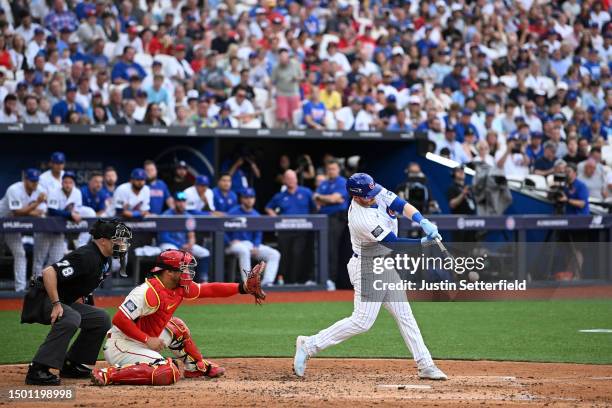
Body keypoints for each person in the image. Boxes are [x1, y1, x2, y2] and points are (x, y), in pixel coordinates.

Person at [293, 173, 447, 380]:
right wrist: (424, 243)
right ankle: (309, 344)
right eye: (368, 195)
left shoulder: (372, 190)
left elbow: (400, 204)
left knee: (405, 315)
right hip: (367, 266)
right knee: (362, 321)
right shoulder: (361, 219)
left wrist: (422, 220)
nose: (374, 196)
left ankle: (425, 364)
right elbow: (394, 243)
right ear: (356, 197)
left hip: (385, 264)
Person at [90, 249, 265, 386]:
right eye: (184, 268)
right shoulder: (146, 292)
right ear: (169, 272)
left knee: (177, 326)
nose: (188, 272)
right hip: (121, 345)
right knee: (167, 371)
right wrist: (147, 339)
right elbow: (119, 319)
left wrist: (242, 287)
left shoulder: (180, 287)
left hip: (143, 341)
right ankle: (107, 374)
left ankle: (195, 368)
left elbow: (209, 289)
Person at [23, 219, 132, 385]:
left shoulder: (105, 260)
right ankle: (38, 369)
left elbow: (86, 290)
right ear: (103, 240)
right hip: (42, 297)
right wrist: (56, 304)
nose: (123, 244)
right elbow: (48, 272)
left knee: (100, 318)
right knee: (70, 317)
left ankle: (73, 364)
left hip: (62, 300)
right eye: (118, 239)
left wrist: (87, 312)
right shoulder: (86, 255)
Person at [265, 170, 316, 284]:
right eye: (288, 178)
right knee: (284, 255)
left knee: (298, 253)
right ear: (284, 180)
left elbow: (315, 207)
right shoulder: (280, 196)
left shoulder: (306, 192)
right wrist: (275, 217)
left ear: (296, 179)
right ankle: (285, 280)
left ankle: (298, 280)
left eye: (293, 178)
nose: (291, 181)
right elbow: (268, 207)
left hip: (303, 230)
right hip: (285, 230)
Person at [0, 169, 47, 292]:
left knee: (20, 254)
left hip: (12, 225)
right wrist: (36, 204)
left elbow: (40, 212)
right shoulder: (14, 189)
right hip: (2, 218)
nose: (34, 184)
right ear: (25, 180)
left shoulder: (40, 190)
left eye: (36, 181)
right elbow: (17, 212)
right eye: (32, 181)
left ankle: (20, 289)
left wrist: (27, 210)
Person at [225, 188, 280, 286]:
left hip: (249, 244)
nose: (249, 200)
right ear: (242, 199)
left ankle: (267, 282)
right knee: (244, 251)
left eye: (251, 197)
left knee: (274, 254)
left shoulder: (256, 215)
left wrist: (256, 245)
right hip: (233, 245)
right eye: (246, 197)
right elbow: (222, 230)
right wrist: (230, 241)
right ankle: (248, 283)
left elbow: (258, 234)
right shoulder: (233, 212)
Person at [158, 192, 209, 282]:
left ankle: (202, 280)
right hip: (168, 244)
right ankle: (174, 282)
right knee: (174, 253)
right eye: (179, 201)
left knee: (204, 253)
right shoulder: (166, 215)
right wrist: (180, 246)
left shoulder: (188, 216)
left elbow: (191, 235)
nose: (181, 204)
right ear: (174, 202)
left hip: (184, 245)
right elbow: (163, 237)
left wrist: (190, 244)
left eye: (183, 201)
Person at [313, 160, 349, 291]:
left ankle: (331, 280)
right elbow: (316, 199)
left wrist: (324, 198)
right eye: (329, 169)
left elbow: (335, 198)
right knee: (322, 249)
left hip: (336, 218)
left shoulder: (342, 182)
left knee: (331, 249)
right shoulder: (324, 183)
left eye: (333, 169)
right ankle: (322, 278)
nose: (331, 171)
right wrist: (329, 199)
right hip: (322, 219)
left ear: (338, 169)